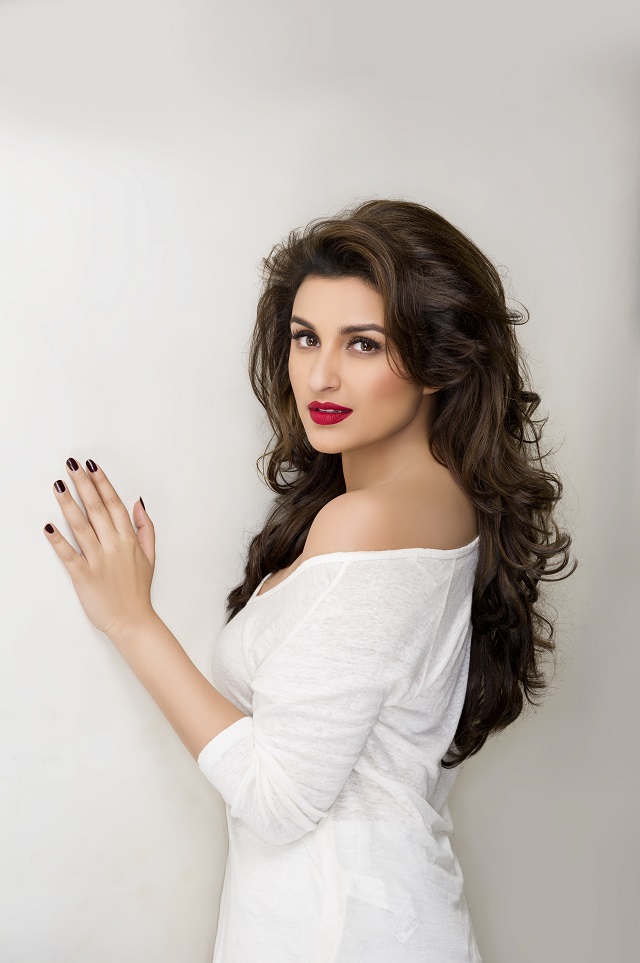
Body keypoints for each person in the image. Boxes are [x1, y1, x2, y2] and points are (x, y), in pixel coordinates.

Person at [44, 198, 577, 962]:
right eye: (305, 337)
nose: (321, 374)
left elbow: (278, 799)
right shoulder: (445, 501)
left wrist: (133, 620)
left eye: (363, 343)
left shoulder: (369, 520)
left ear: (438, 358)